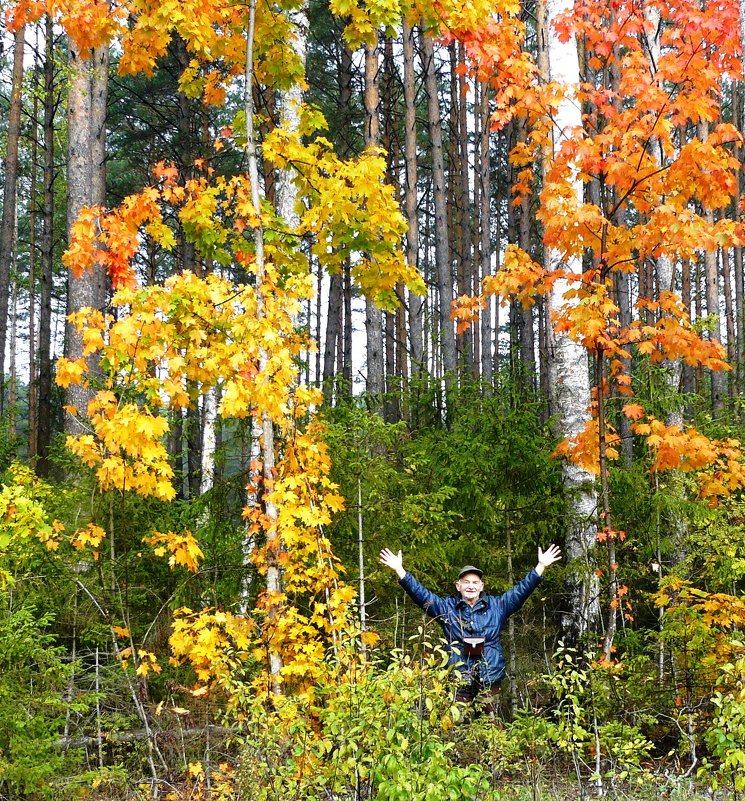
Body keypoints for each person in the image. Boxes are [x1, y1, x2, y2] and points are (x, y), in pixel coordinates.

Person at [379, 544, 562, 715]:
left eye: (475, 582)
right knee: (457, 725)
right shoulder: (446, 608)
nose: (471, 586)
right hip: (459, 676)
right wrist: (399, 570)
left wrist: (540, 567)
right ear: (458, 586)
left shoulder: (497, 606)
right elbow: (421, 594)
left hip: (490, 675)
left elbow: (521, 591)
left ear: (481, 586)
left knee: (490, 726)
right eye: (466, 582)